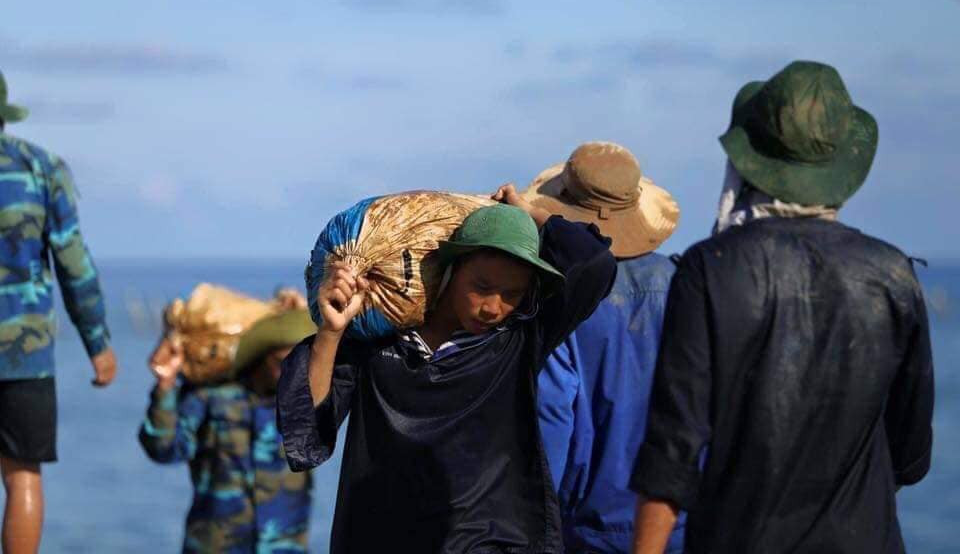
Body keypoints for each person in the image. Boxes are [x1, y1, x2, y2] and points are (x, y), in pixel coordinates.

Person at [630, 61, 935, 554]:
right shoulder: (893, 274)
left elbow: (673, 449)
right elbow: (911, 454)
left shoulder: (710, 269)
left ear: (748, 164)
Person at [278, 185, 617, 553]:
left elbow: (594, 262)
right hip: (384, 537)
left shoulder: (518, 341)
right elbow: (309, 429)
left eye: (512, 294)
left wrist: (527, 212)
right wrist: (331, 333)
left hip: (493, 540)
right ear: (449, 270)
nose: (493, 308)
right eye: (482, 286)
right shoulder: (379, 345)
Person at [527, 142, 684, 553]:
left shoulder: (566, 298)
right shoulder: (684, 283)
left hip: (592, 529)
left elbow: (553, 416)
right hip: (680, 519)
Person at [0, 70, 115, 554]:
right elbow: (73, 264)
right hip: (24, 356)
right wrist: (98, 343)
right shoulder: (41, 167)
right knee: (22, 475)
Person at [139, 306, 317, 553]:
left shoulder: (305, 401)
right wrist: (165, 385)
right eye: (281, 363)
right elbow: (165, 449)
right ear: (262, 357)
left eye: (298, 364)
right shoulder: (213, 395)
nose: (289, 372)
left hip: (285, 546)